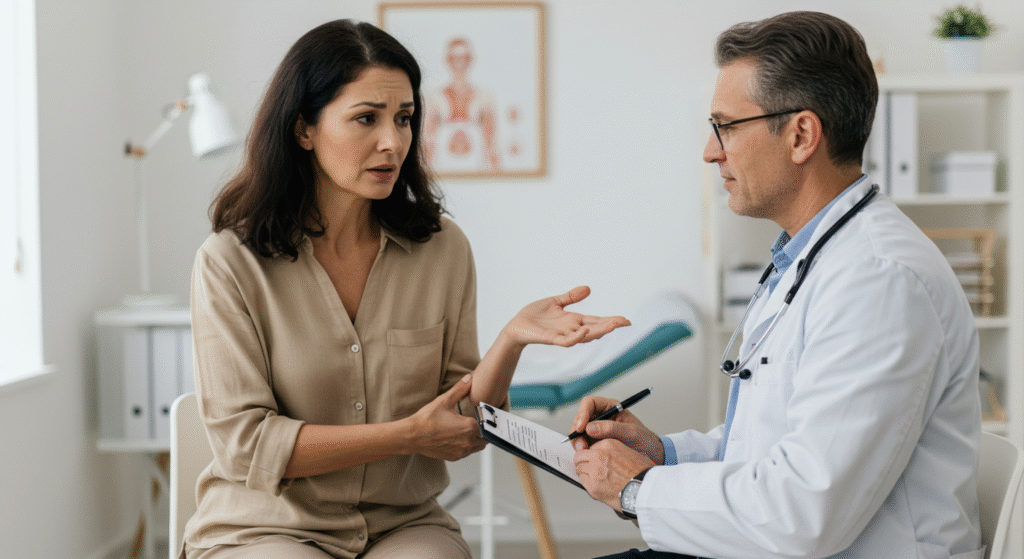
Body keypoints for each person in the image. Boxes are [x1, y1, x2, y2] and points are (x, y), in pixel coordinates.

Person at [182, 20, 629, 559]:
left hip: (403, 525)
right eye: (366, 119)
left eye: (405, 118)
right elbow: (244, 444)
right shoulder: (230, 262)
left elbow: (461, 427)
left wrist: (511, 340)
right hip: (267, 526)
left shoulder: (442, 249)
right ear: (304, 129)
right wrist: (406, 437)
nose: (392, 141)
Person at [571, 11, 983, 559]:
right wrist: (663, 453)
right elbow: (769, 449)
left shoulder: (879, 282)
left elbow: (804, 514)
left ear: (801, 135)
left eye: (726, 127)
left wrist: (637, 488)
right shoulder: (814, 257)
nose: (710, 151)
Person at [423, 37, 501, 173]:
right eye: (454, 58)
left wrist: (500, 177)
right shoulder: (434, 99)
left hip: (478, 172)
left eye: (464, 58)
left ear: (470, 60)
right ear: (448, 61)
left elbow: (492, 143)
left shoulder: (484, 99)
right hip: (441, 174)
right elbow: (427, 144)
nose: (459, 64)